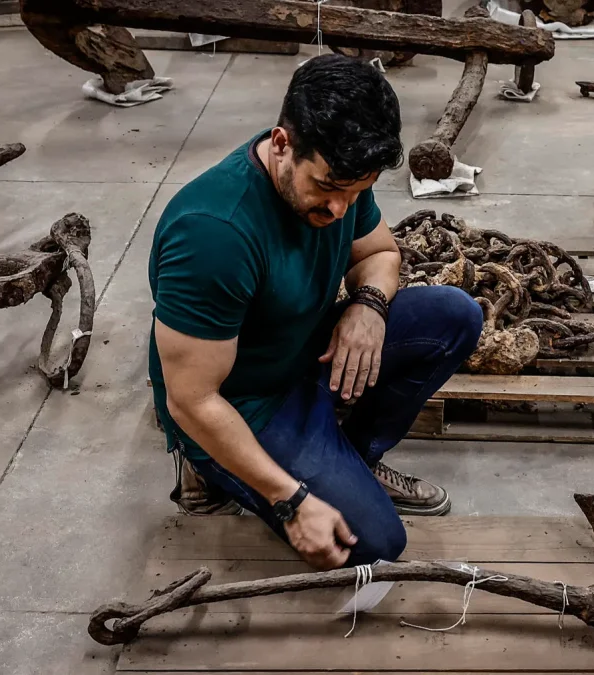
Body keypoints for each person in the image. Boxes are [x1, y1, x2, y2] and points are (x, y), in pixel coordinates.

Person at [148, 54, 483, 571]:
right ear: (282, 144)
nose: (340, 211)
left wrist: (368, 306)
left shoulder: (341, 179)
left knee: (454, 315)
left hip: (305, 346)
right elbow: (191, 400)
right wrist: (291, 501)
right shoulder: (213, 234)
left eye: (358, 192)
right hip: (245, 399)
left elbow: (380, 253)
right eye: (327, 189)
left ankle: (354, 456)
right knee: (372, 544)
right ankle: (210, 468)